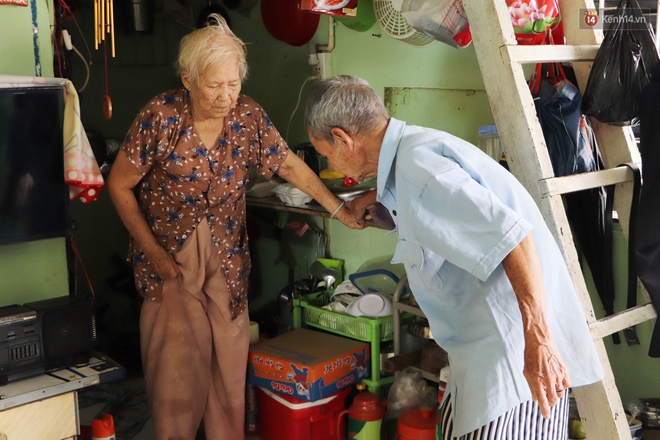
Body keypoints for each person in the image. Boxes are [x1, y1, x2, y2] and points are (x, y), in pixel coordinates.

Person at [303, 75, 604, 439]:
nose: (331, 163)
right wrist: (384, 202)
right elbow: (437, 223)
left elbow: (513, 240)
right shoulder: (413, 154)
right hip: (491, 355)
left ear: (342, 138)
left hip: (511, 357)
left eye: (326, 153)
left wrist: (538, 341)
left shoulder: (419, 173)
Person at [106, 16, 362, 440]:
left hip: (227, 259)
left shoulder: (248, 116)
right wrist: (157, 257)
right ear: (187, 79)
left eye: (233, 83)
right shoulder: (162, 116)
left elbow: (289, 165)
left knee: (227, 366)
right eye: (214, 85)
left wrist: (339, 209)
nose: (227, 96)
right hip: (170, 259)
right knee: (176, 373)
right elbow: (118, 185)